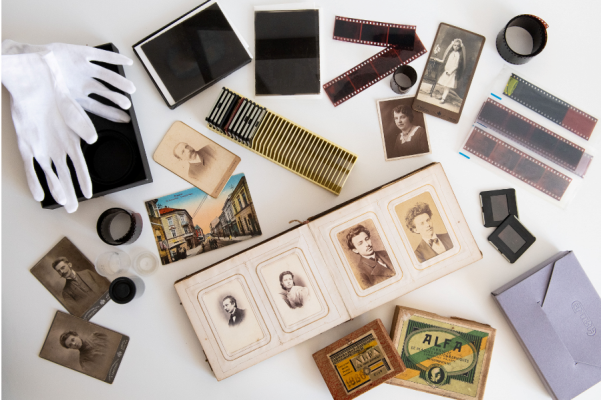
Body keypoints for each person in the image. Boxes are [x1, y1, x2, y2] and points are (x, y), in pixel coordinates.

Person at [345, 225, 395, 289]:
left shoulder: (386, 252)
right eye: (360, 243)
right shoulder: (360, 272)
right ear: (355, 250)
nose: (367, 244)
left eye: (367, 239)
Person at [431, 38, 466, 104]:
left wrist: (450, 71)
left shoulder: (458, 55)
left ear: (459, 47)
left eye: (457, 46)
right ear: (452, 45)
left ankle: (443, 99)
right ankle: (442, 96)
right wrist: (437, 60)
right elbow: (446, 61)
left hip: (451, 72)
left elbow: (456, 65)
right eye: (454, 45)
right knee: (445, 85)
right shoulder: (451, 53)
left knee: (447, 86)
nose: (455, 47)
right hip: (446, 70)